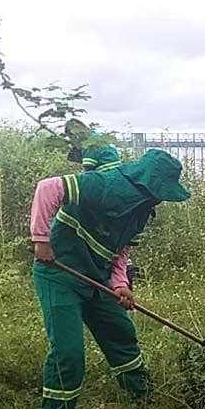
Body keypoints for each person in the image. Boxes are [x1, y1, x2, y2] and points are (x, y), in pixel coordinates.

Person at [29, 147, 191, 409]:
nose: (160, 199)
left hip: (97, 279)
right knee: (68, 353)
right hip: (59, 275)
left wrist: (120, 284)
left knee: (121, 333)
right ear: (145, 183)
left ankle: (143, 401)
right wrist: (41, 239)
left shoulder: (142, 210)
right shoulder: (104, 184)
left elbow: (121, 249)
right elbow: (48, 188)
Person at [62, 120, 141, 285]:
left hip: (105, 184)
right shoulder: (98, 139)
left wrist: (80, 189)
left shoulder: (90, 143)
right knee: (113, 227)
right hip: (115, 183)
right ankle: (123, 264)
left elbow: (87, 171)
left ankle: (103, 263)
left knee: (87, 217)